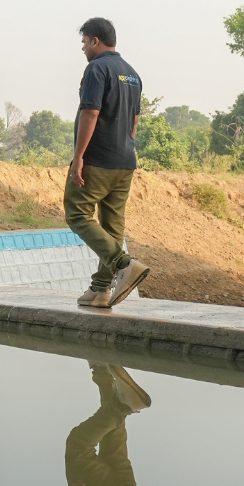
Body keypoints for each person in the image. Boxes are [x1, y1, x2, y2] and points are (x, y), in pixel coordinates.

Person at [65, 17, 151, 308]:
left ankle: (122, 263)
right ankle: (101, 289)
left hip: (98, 160)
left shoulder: (97, 68)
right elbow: (135, 121)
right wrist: (124, 147)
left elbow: (90, 112)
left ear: (95, 41)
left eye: (84, 42)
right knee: (113, 224)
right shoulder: (132, 74)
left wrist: (79, 157)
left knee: (77, 214)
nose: (83, 48)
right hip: (125, 160)